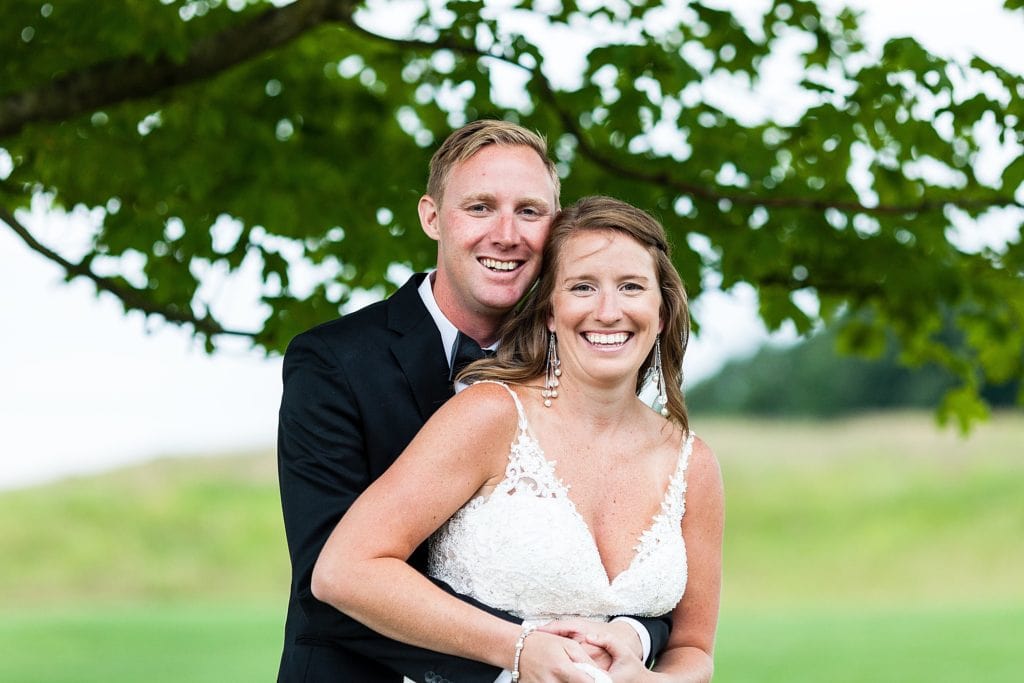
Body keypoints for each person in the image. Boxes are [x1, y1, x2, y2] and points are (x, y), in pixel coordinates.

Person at [277, 122, 672, 682]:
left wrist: (629, 636)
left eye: (530, 212)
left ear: (555, 227)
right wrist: (518, 654)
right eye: (480, 207)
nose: (506, 234)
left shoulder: (585, 359)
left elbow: (638, 570)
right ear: (432, 217)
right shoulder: (333, 362)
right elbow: (330, 578)